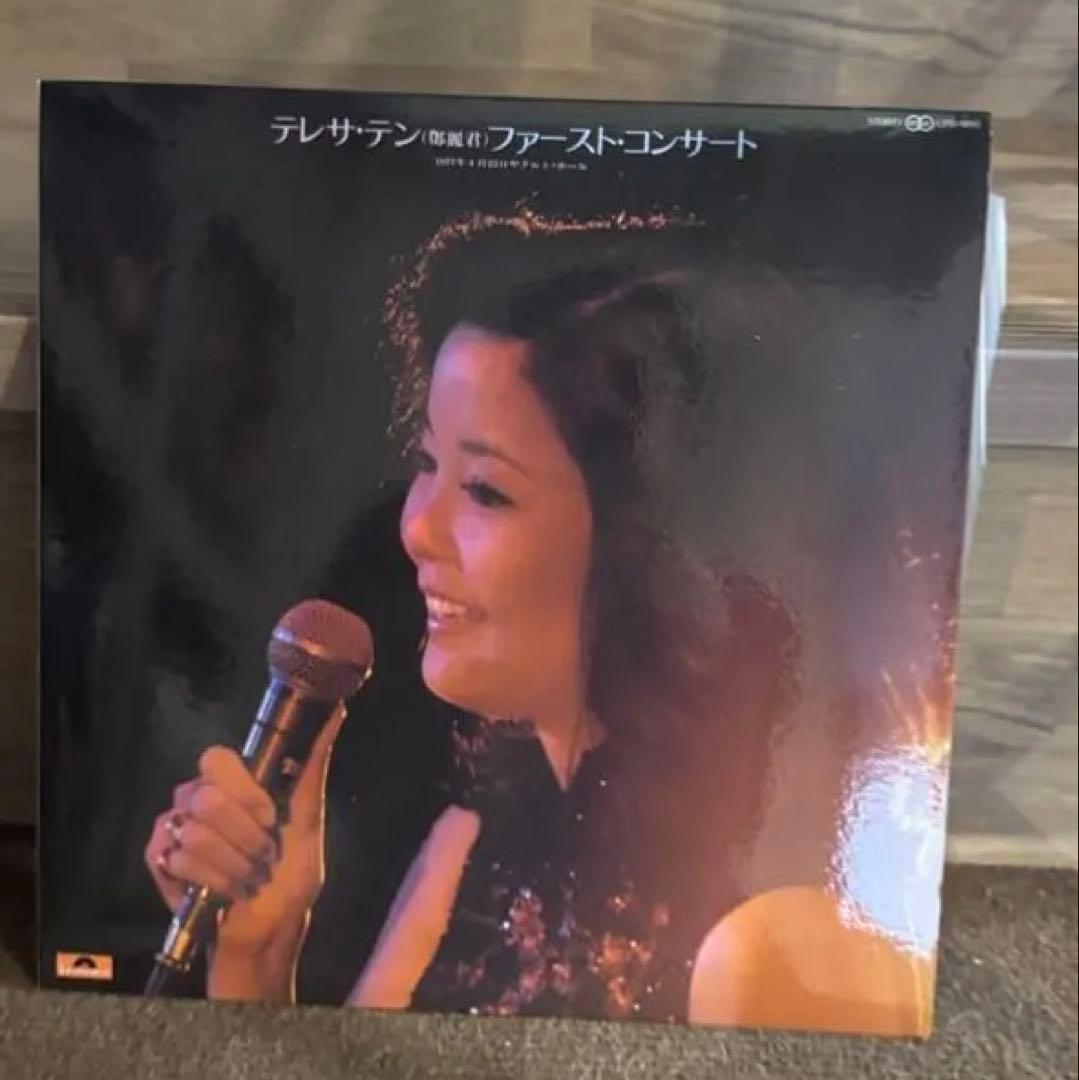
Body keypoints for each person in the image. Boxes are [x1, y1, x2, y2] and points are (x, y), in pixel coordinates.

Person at [144, 214, 932, 1032]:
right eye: (426, 463)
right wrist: (258, 951)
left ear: (637, 545)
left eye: (485, 491)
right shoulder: (467, 839)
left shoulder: (767, 943)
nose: (415, 527)